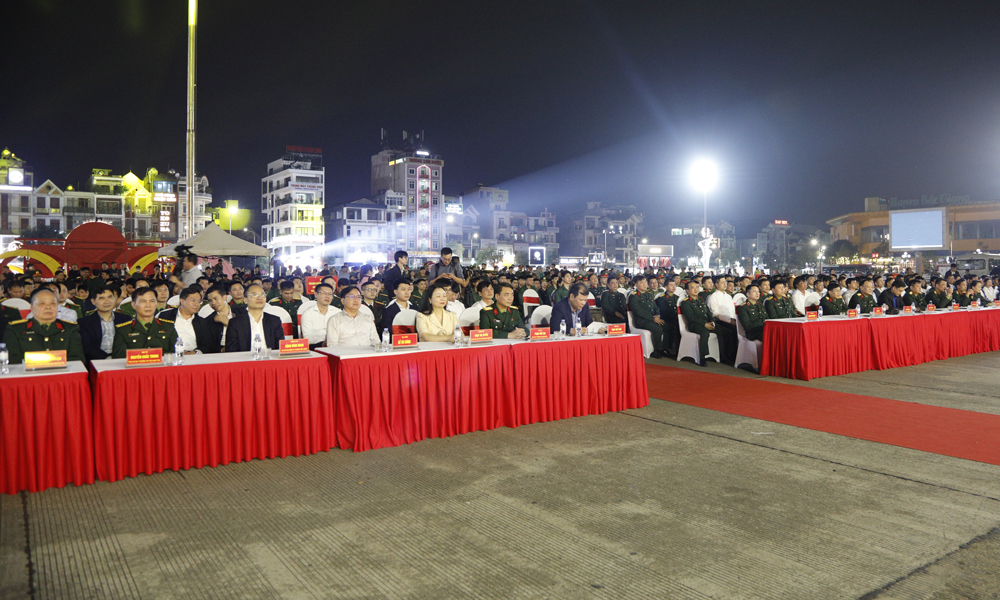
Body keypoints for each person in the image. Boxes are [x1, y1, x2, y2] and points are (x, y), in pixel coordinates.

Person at [4, 287, 85, 364]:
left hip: (63, 373)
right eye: (42, 304)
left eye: (52, 303)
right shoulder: (16, 329)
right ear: (32, 307)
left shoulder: (70, 328)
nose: (48, 307)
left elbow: (77, 359)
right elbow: (13, 361)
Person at [111, 288, 179, 358]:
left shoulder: (168, 327)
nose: (148, 305)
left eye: (152, 301)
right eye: (143, 301)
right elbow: (119, 358)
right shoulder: (123, 330)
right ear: (133, 305)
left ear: (156, 304)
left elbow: (176, 353)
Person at [156, 286, 218, 354]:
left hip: (194, 356)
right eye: (193, 300)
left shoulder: (202, 322)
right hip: (171, 355)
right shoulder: (165, 316)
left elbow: (208, 345)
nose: (196, 304)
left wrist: (195, 352)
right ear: (182, 301)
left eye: (199, 301)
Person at [79, 285, 132, 361]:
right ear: (93, 301)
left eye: (110, 297)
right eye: (102, 298)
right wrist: (107, 358)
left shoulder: (125, 319)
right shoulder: (84, 322)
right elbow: (88, 347)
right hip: (97, 361)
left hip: (123, 360)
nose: (107, 301)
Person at [226, 283, 283, 352]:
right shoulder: (235, 323)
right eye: (254, 295)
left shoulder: (275, 321)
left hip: (269, 358)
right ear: (245, 300)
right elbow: (231, 352)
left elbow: (280, 349)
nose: (259, 298)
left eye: (262, 295)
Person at [680, 280, 717, 365]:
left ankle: (725, 355)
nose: (696, 289)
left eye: (697, 287)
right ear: (687, 290)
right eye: (692, 288)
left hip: (707, 323)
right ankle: (702, 357)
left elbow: (708, 312)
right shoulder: (686, 302)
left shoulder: (701, 299)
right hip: (695, 325)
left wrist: (712, 320)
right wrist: (704, 324)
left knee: (726, 331)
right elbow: (691, 317)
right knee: (705, 333)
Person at [628, 275, 666, 359]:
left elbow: (655, 307)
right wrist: (653, 318)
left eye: (645, 282)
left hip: (653, 319)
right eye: (641, 283)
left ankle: (664, 348)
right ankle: (657, 350)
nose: (644, 284)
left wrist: (657, 315)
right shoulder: (633, 296)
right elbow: (639, 311)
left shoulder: (649, 294)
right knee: (658, 329)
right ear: (636, 285)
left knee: (668, 326)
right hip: (642, 321)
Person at [300, 283, 340, 349]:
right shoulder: (307, 314)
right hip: (316, 347)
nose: (327, 296)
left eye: (330, 294)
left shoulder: (337, 312)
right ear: (316, 294)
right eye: (324, 293)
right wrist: (326, 339)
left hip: (336, 346)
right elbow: (307, 338)